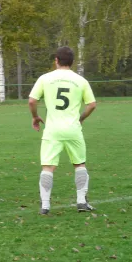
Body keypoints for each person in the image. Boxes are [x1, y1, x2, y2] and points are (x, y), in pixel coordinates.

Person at [28, 46, 97, 214]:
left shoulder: (45, 78)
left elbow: (31, 101)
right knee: (79, 164)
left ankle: (45, 206)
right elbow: (92, 104)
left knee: (48, 167)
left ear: (56, 60)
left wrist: (35, 116)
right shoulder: (81, 81)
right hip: (73, 129)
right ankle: (81, 202)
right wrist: (81, 118)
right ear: (72, 62)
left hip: (52, 130)